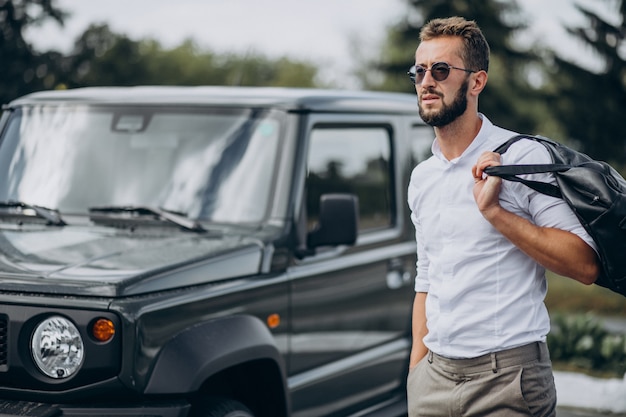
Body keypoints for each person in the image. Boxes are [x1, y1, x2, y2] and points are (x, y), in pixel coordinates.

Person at [406, 16, 600, 417]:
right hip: (433, 382)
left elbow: (584, 264)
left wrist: (495, 213)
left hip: (508, 381)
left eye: (441, 70)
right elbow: (427, 277)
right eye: (420, 71)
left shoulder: (521, 159)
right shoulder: (422, 177)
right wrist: (416, 370)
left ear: (476, 82)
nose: (427, 81)